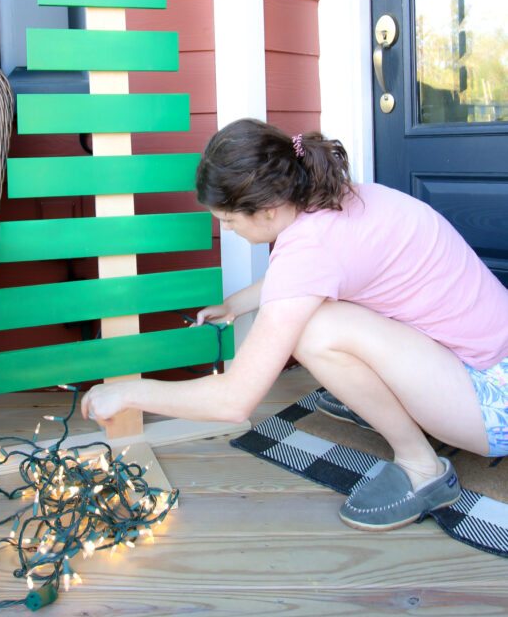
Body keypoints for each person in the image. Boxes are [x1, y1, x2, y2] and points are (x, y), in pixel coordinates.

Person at [81, 118, 508, 531]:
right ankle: (377, 400)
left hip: (493, 402)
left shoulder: (308, 251)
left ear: (266, 210)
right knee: (321, 313)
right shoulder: (333, 196)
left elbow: (233, 402)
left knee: (313, 331)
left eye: (228, 220)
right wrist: (236, 304)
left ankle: (422, 470)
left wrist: (126, 393)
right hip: (486, 357)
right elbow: (313, 275)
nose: (226, 230)